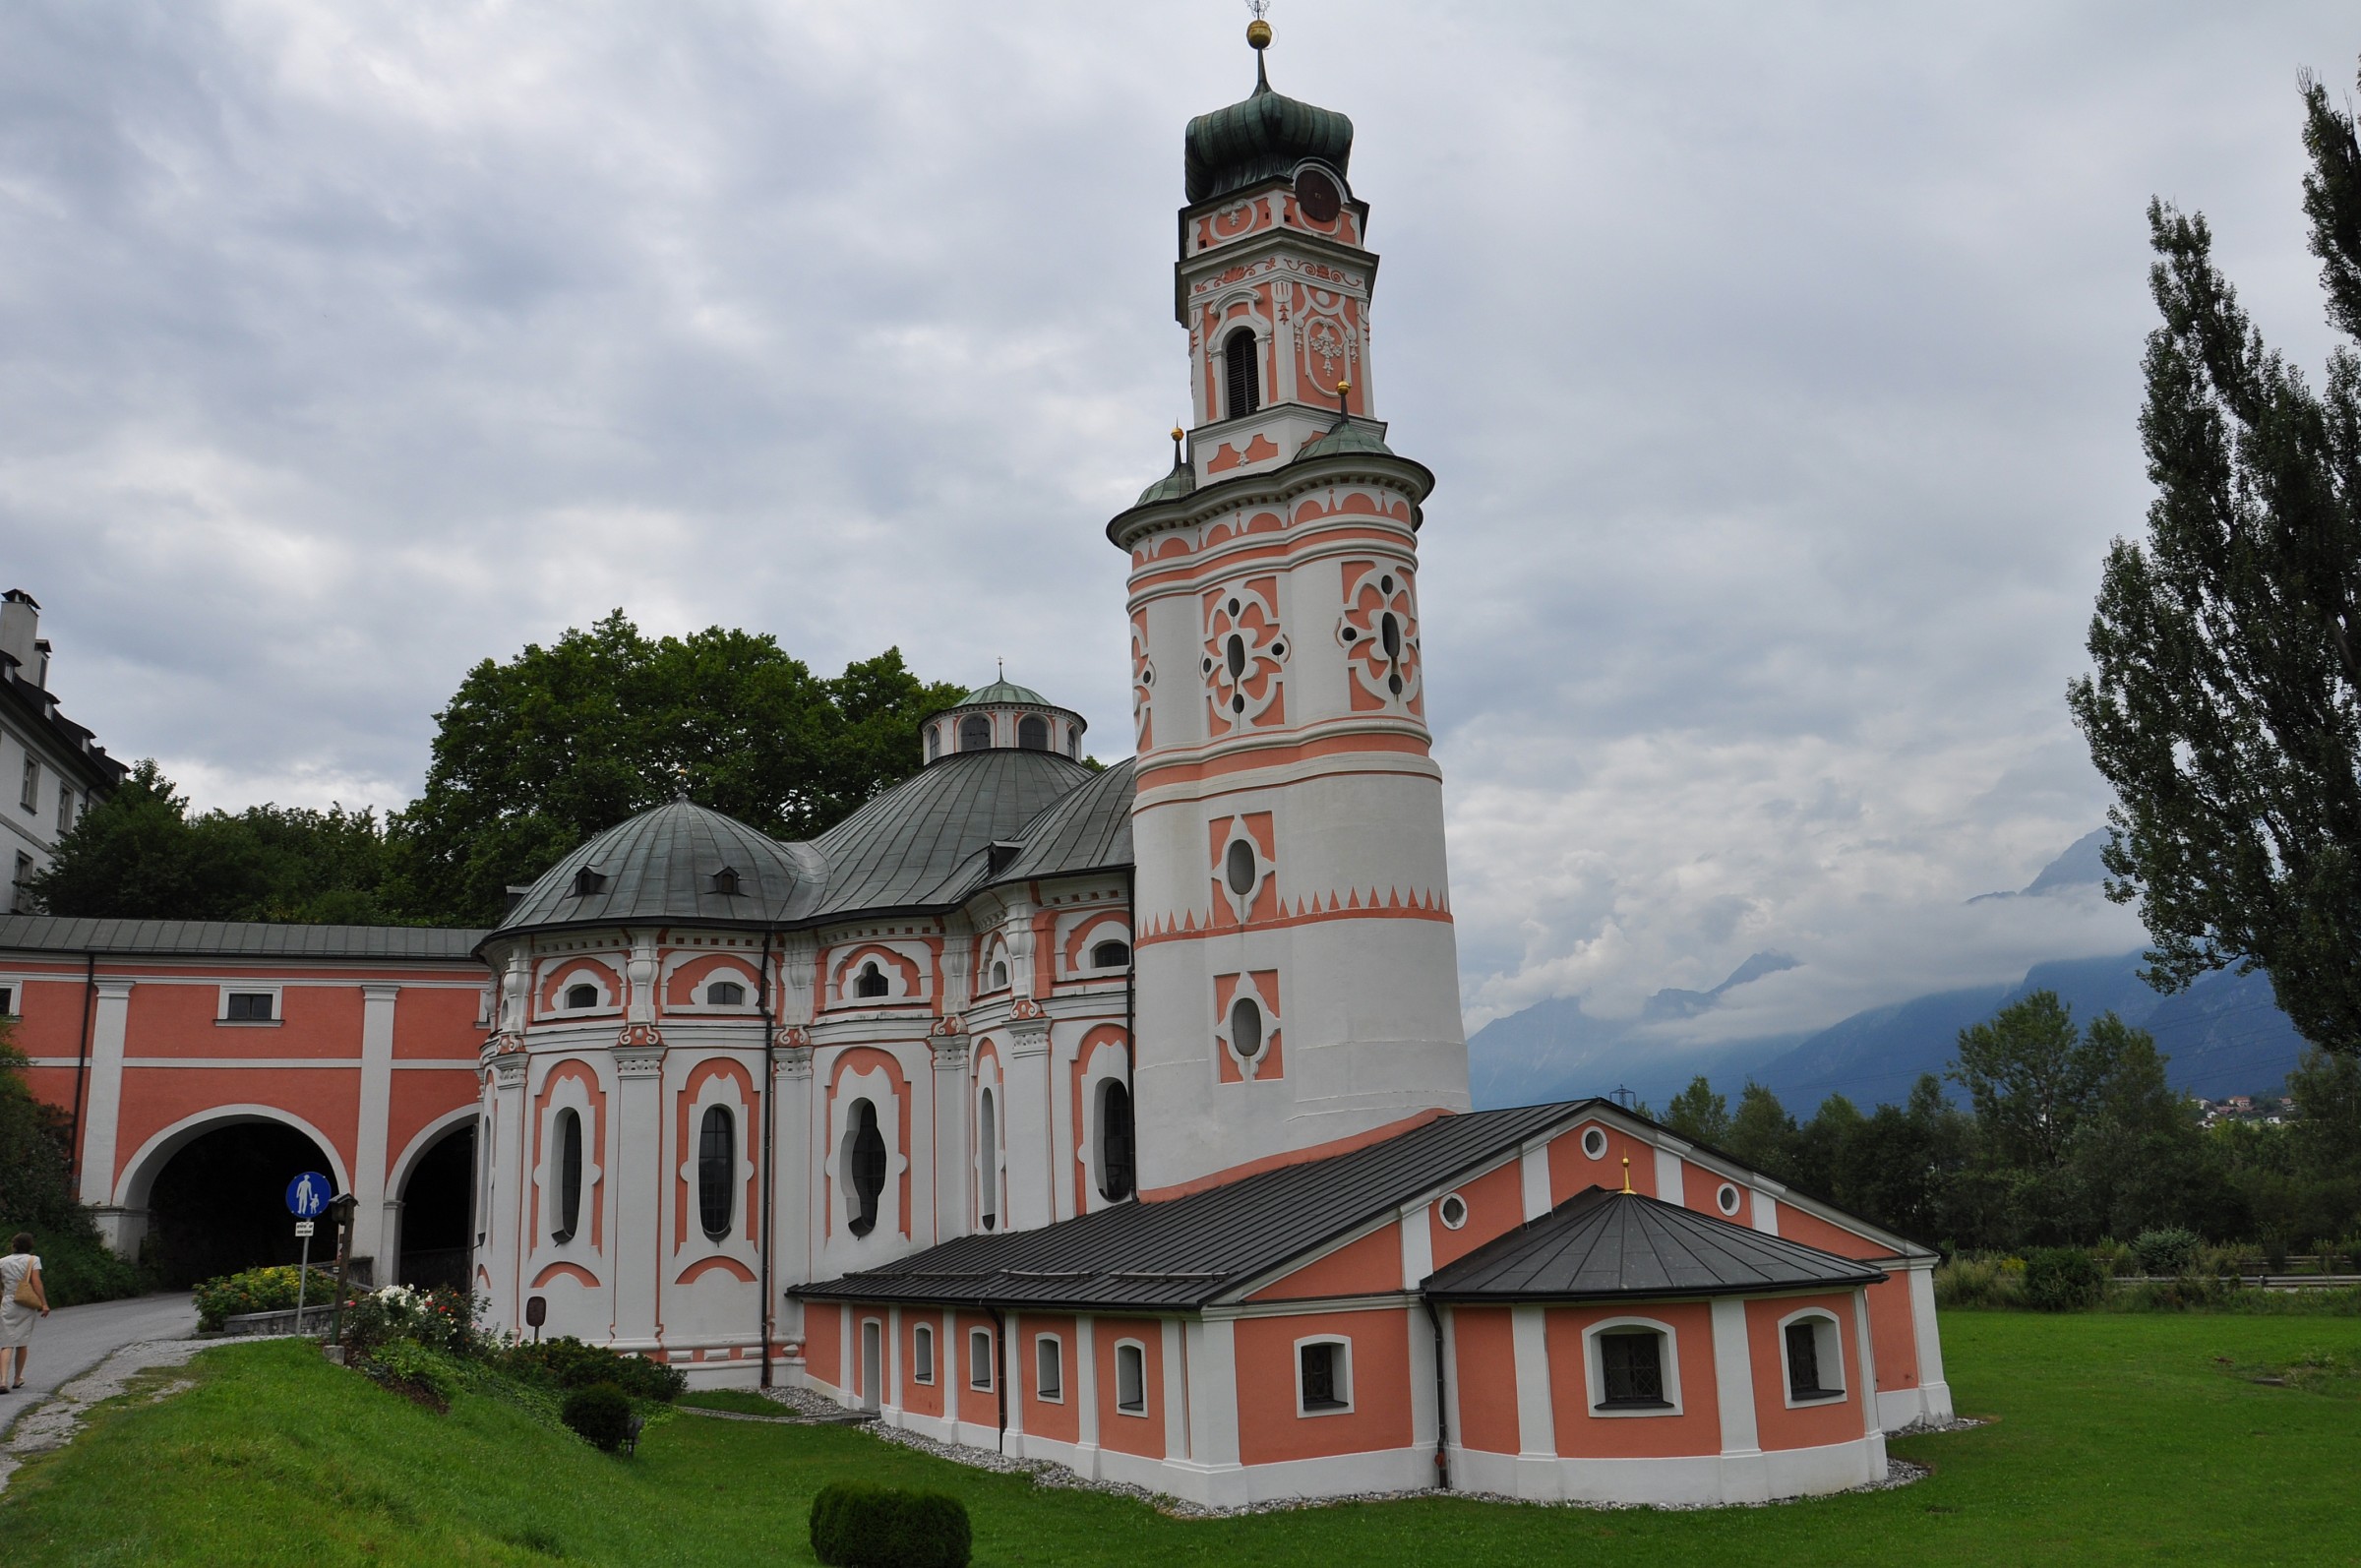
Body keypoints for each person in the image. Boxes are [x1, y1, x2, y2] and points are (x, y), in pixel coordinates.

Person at [0, 1234, 49, 1391]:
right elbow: (36, 1282)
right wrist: (44, 1303)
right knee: (22, 1341)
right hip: (26, 1303)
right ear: (30, 1245)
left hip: (8, 1302)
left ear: (13, 1245)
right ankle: (17, 1378)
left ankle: (2, 1380)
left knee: (6, 1342)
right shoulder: (33, 1260)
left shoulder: (2, 1261)